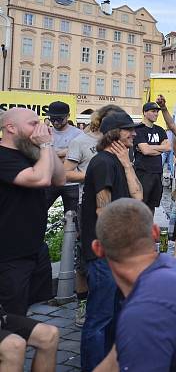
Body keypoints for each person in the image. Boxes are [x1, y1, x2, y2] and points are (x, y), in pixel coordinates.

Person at [91, 199, 176, 372]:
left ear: (98, 249)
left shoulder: (144, 312)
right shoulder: (174, 269)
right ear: (154, 232)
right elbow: (115, 361)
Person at [80, 112, 143, 371]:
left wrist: (127, 165)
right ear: (115, 133)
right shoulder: (103, 163)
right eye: (129, 130)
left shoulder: (118, 161)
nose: (134, 134)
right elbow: (101, 211)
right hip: (103, 254)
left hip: (117, 253)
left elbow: (138, 197)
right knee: (99, 318)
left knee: (116, 314)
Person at [0, 108, 66, 318]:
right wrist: (45, 144)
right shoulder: (3, 156)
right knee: (14, 317)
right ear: (11, 127)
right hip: (10, 254)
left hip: (34, 248)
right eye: (33, 123)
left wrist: (48, 145)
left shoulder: (30, 153)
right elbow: (41, 179)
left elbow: (59, 179)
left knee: (28, 310)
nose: (41, 127)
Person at [64, 104, 125, 327]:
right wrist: (92, 177)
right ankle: (83, 303)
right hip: (89, 205)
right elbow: (66, 171)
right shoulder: (82, 141)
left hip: (117, 207)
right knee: (86, 258)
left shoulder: (122, 144)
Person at [45, 100, 82, 212]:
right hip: (50, 181)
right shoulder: (46, 132)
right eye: (52, 119)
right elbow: (40, 154)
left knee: (72, 219)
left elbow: (79, 154)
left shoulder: (78, 134)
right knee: (38, 212)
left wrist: (53, 153)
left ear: (68, 116)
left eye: (60, 119)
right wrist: (66, 152)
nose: (55, 122)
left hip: (72, 183)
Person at [133, 102, 170, 212]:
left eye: (157, 111)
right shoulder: (138, 129)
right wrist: (159, 148)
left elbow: (168, 147)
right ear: (145, 112)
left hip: (157, 172)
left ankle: (149, 227)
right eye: (153, 111)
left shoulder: (160, 130)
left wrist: (150, 148)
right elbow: (145, 151)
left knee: (152, 205)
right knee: (140, 204)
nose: (156, 114)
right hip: (143, 172)